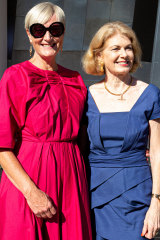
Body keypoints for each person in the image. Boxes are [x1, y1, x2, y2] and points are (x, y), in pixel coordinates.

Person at [0, 2, 92, 240]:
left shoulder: (76, 81)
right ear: (29, 34)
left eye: (56, 29)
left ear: (63, 33)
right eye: (39, 30)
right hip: (29, 181)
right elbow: (2, 147)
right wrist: (32, 193)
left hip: (72, 182)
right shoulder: (15, 76)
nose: (48, 37)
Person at [82, 21, 160, 240]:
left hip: (137, 197)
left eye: (128, 48)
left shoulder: (150, 94)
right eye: (115, 48)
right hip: (94, 195)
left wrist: (156, 203)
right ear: (99, 56)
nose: (124, 54)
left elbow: (157, 153)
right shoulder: (86, 96)